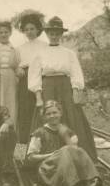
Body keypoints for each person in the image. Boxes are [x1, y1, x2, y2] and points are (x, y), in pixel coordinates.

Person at [28, 16, 97, 161]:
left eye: (57, 33)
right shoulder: (40, 53)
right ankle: (45, 156)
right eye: (51, 33)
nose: (54, 36)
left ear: (61, 34)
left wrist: (76, 91)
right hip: (48, 86)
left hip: (65, 88)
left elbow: (76, 73)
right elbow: (34, 76)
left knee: (72, 118)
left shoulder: (69, 53)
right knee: (46, 116)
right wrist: (39, 97)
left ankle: (79, 157)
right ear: (47, 34)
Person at [26, 100, 101, 186]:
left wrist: (64, 134)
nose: (52, 116)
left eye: (55, 112)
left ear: (60, 113)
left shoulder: (66, 130)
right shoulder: (40, 132)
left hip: (64, 167)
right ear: (44, 117)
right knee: (65, 150)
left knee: (78, 150)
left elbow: (75, 151)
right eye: (48, 114)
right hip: (47, 169)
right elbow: (31, 157)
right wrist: (52, 154)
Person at [16, 12, 47, 143]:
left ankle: (41, 151)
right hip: (24, 82)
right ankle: (20, 154)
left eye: (32, 29)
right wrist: (17, 69)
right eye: (26, 29)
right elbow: (15, 65)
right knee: (24, 116)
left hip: (41, 80)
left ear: (38, 29)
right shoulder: (19, 48)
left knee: (41, 114)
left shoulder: (44, 45)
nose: (29, 32)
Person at [0, 20, 22, 128]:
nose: (3, 34)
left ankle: (13, 134)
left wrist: (18, 71)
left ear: (10, 33)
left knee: (12, 104)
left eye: (6, 32)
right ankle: (0, 134)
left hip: (11, 78)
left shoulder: (15, 49)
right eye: (1, 32)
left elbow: (18, 65)